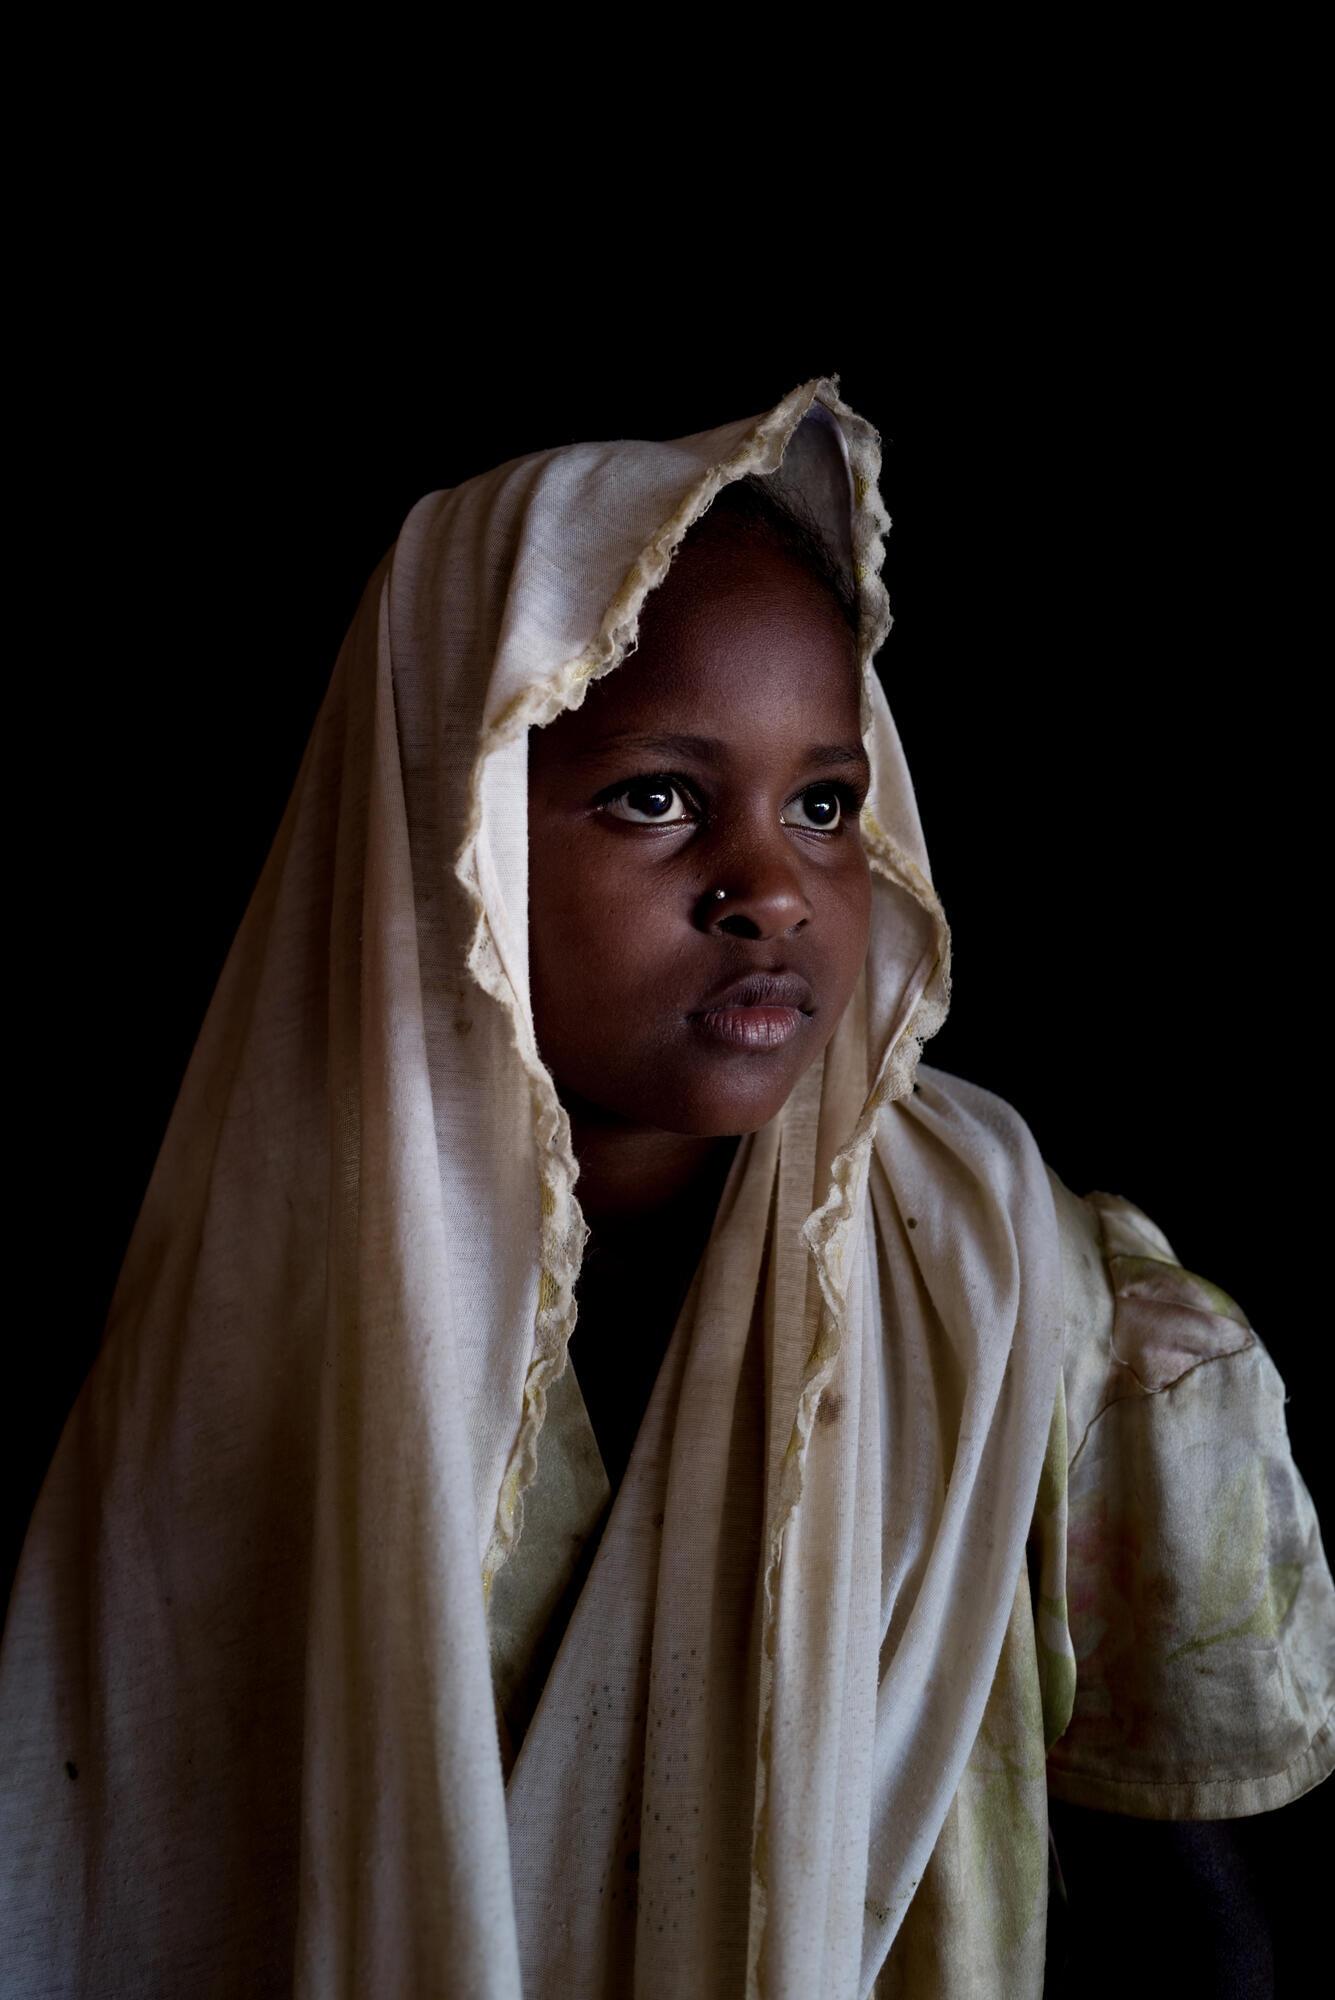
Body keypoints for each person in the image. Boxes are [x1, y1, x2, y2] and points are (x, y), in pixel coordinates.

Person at [1, 376, 1331, 1997]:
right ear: (448, 831)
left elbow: (1193, 1916)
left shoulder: (1023, 1294)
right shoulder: (240, 1329)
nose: (769, 890)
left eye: (825, 806)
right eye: (656, 799)